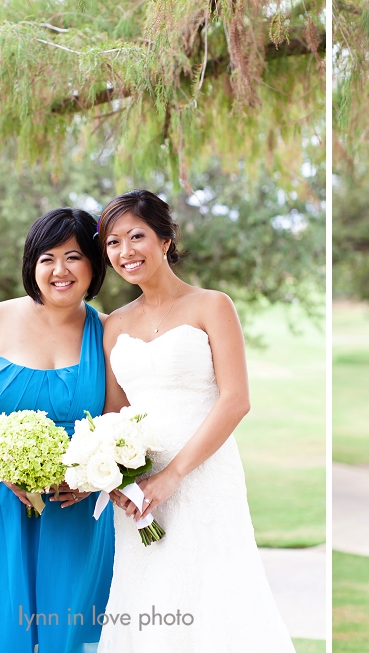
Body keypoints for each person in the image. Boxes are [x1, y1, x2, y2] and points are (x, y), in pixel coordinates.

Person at [94, 189, 294, 651]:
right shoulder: (113, 326)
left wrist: (173, 475)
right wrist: (117, 478)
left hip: (204, 474)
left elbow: (236, 400)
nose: (125, 252)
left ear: (166, 239)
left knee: (214, 591)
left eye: (137, 236)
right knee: (146, 594)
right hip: (139, 487)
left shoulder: (212, 305)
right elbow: (113, 412)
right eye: (113, 242)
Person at [0, 208, 115, 653]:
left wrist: (88, 481)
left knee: (67, 627)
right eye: (46, 257)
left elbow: (116, 420)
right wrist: (1, 466)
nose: (59, 270)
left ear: (93, 265)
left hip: (73, 503)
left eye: (73, 257)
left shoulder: (106, 331)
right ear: (31, 264)